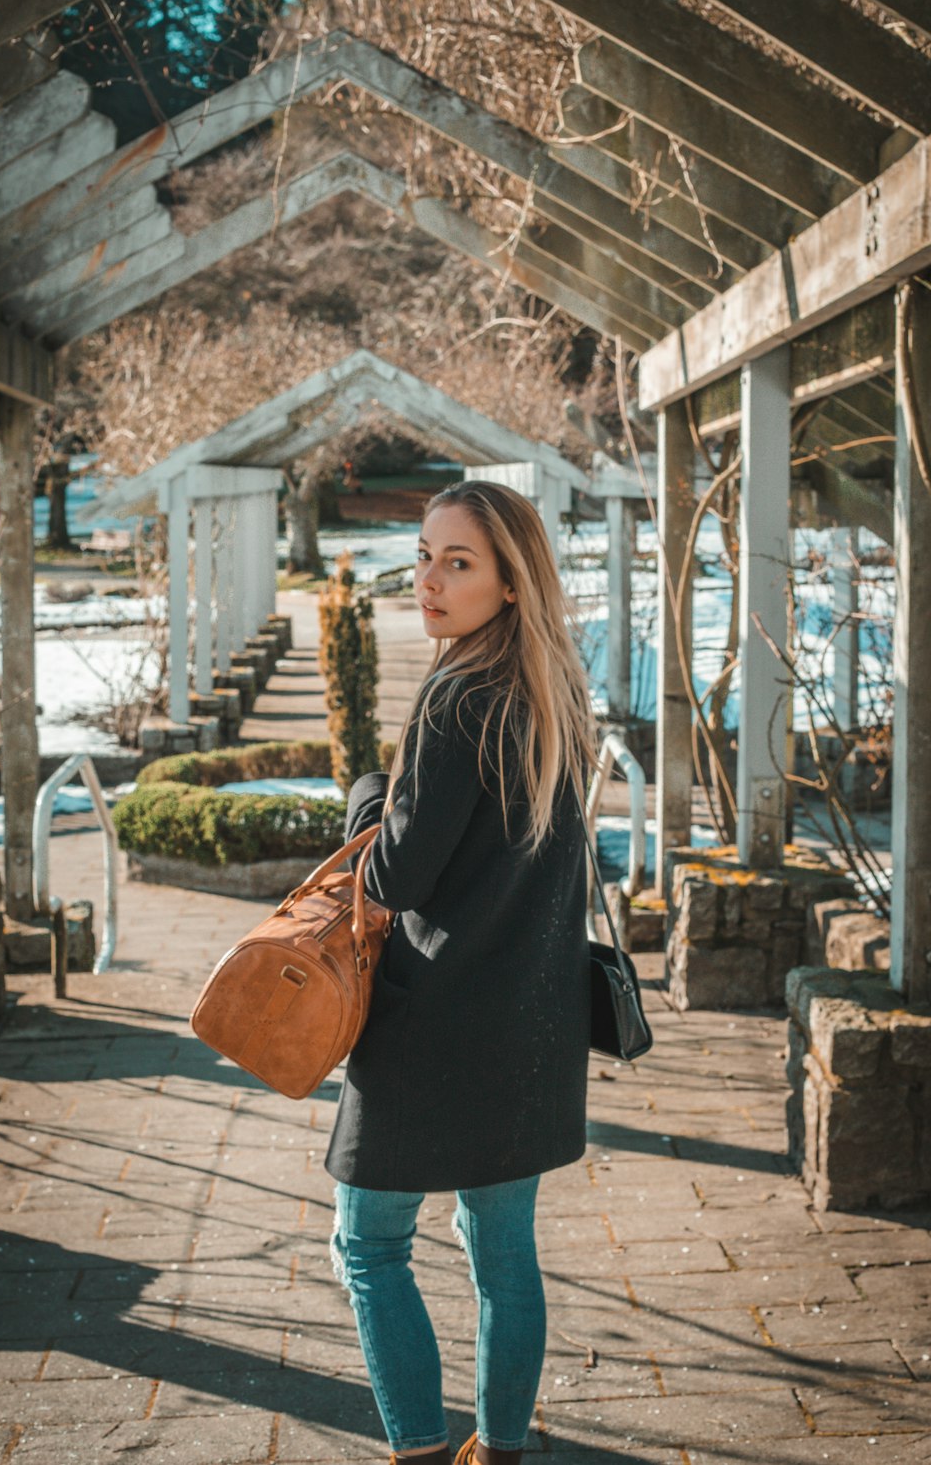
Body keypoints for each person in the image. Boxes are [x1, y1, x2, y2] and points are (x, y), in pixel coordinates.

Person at [326, 480, 597, 1465]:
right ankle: (504, 1447)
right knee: (502, 1258)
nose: (428, 580)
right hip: (531, 1021)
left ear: (511, 582)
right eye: (424, 554)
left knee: (369, 1245)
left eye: (459, 562)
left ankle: (418, 1450)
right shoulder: (556, 691)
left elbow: (394, 876)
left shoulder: (456, 697)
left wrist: (367, 795)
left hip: (430, 1022)